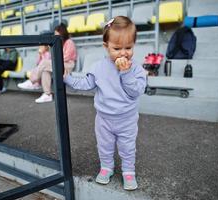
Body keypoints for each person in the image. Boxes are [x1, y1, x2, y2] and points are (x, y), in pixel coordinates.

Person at [63, 16, 147, 190]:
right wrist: (67, 78)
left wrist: (126, 73)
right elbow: (86, 84)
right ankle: (107, 167)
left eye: (128, 47)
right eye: (117, 48)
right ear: (106, 46)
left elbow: (135, 92)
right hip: (104, 118)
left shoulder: (137, 69)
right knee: (104, 146)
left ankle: (128, 171)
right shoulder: (98, 67)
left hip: (127, 119)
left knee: (127, 147)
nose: (123, 52)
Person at [18, 23, 77, 103]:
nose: (55, 35)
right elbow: (47, 59)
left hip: (68, 65)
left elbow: (66, 57)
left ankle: (32, 81)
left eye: (57, 33)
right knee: (45, 70)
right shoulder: (59, 43)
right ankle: (47, 95)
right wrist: (42, 53)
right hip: (59, 63)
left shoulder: (69, 42)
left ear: (62, 33)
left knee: (45, 63)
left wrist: (54, 59)